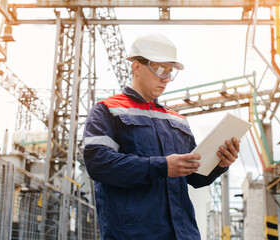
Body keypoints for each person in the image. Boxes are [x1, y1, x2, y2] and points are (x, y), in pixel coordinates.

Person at [83, 32, 240, 240]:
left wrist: (220, 163)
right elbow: (99, 164)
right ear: (136, 66)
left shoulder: (177, 120)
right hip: (132, 234)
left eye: (169, 71)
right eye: (159, 69)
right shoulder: (106, 111)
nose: (165, 78)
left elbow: (195, 177)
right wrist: (162, 166)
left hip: (183, 234)